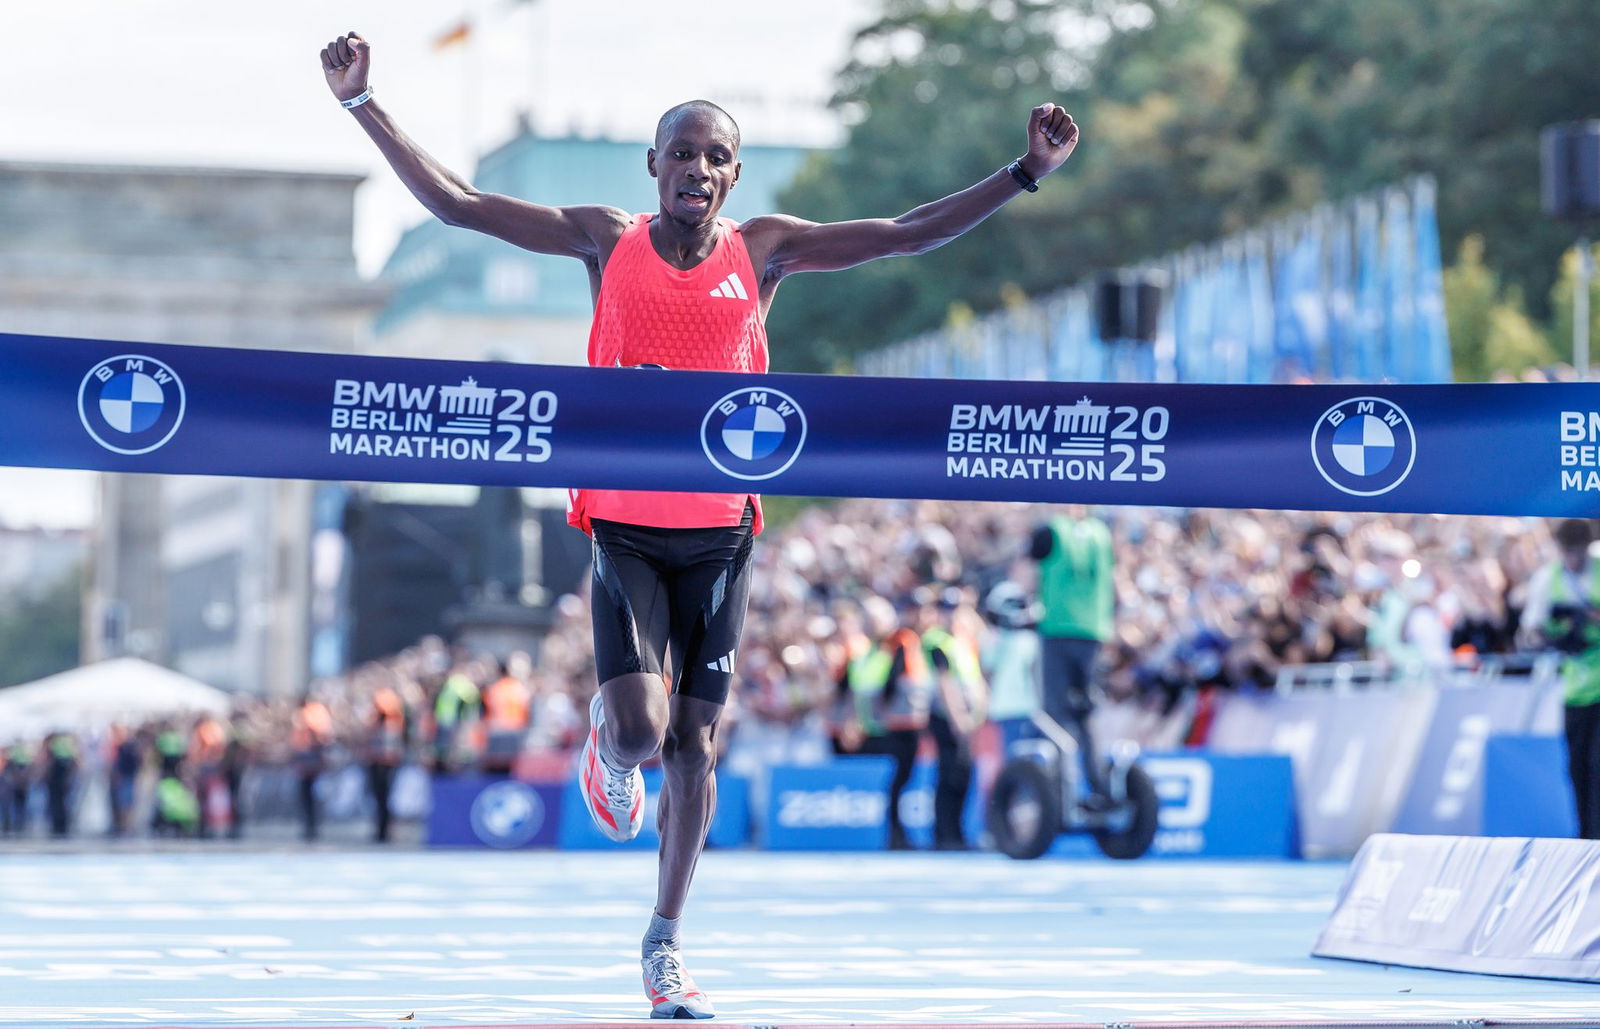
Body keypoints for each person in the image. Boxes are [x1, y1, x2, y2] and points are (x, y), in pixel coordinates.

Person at [321, 29, 1079, 1018]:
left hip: (720, 534)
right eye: (681, 152)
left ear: (732, 176)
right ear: (654, 166)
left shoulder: (765, 253)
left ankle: (664, 944)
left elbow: (904, 232)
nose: (698, 169)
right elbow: (459, 205)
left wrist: (1023, 171)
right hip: (625, 529)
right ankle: (605, 745)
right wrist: (361, 102)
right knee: (639, 736)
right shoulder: (607, 238)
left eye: (716, 156)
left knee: (695, 750)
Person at [1518, 518, 1600, 838]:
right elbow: (1528, 635)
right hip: (1577, 689)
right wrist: (1555, 636)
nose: (1574, 559)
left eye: (1578, 552)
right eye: (1568, 552)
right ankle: (1586, 839)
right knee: (1578, 769)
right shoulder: (1546, 579)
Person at [1030, 505, 1114, 800]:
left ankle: (1058, 790)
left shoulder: (1052, 530)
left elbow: (1029, 560)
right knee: (1087, 713)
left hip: (1058, 629)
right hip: (1093, 632)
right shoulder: (1101, 534)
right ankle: (1099, 787)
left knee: (1055, 713)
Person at [920, 588, 987, 850]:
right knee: (949, 774)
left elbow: (975, 677)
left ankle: (956, 831)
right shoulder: (936, 640)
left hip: (967, 718)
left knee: (963, 774)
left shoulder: (962, 639)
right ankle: (945, 834)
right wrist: (958, 718)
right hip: (946, 717)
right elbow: (945, 682)